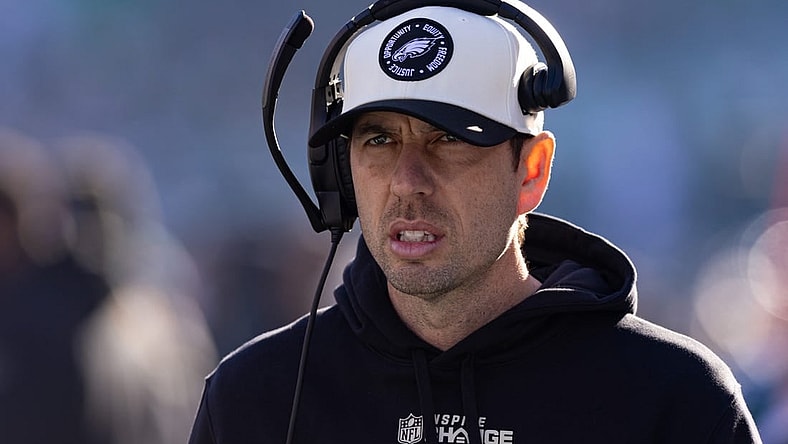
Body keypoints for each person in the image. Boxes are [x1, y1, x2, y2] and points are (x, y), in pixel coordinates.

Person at [189, 1, 762, 443]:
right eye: (380, 140)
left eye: (449, 139)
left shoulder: (678, 401)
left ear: (531, 171)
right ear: (341, 172)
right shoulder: (254, 401)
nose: (407, 180)